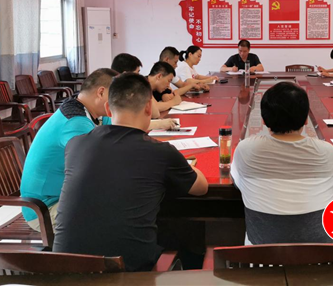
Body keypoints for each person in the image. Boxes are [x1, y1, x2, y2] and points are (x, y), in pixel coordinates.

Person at [53, 73, 208, 272]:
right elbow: (201, 187)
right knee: (187, 239)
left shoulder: (76, 144)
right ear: (148, 107)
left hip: (65, 271)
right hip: (126, 275)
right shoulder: (160, 152)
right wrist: (187, 165)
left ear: (108, 109)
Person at [231, 82, 333, 245]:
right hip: (323, 256)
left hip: (260, 256)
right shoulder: (327, 152)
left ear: (264, 120)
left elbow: (237, 183)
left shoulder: (245, 149)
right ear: (306, 119)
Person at [20, 68, 119, 230]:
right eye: (116, 96)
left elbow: (119, 130)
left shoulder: (91, 111)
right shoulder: (75, 122)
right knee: (121, 208)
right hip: (45, 209)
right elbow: (98, 165)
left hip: (66, 197)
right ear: (101, 93)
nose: (118, 103)